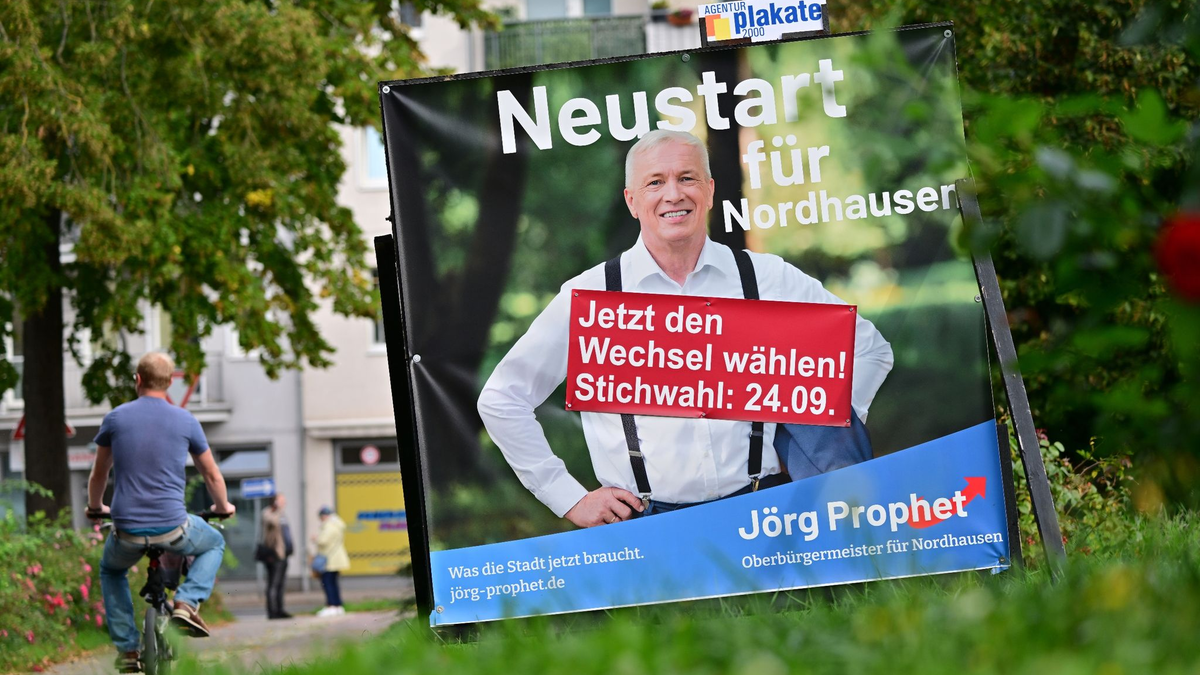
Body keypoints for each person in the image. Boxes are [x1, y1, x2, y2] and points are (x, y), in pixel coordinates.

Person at [477, 130, 894, 528]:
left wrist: (814, 432)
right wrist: (566, 496)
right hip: (649, 527)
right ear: (632, 200)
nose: (673, 194)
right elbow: (502, 399)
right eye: (655, 182)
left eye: (687, 178)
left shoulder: (765, 277)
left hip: (768, 512)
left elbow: (869, 350)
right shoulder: (591, 295)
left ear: (710, 190)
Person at [87, 352, 236, 674]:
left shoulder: (115, 418)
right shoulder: (185, 420)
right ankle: (186, 603)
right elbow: (211, 474)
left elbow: (99, 473)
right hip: (173, 527)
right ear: (170, 382)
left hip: (126, 530)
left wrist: (96, 507)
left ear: (137, 379)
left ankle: (128, 651)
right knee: (213, 543)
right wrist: (223, 507)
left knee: (112, 571)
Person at [259, 493, 294, 619]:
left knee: (281, 583)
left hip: (283, 554)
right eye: (281, 501)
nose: (284, 503)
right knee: (273, 583)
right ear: (274, 502)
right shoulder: (268, 513)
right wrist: (277, 509)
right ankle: (272, 611)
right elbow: (272, 522)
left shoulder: (282, 514)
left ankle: (280, 610)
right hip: (273, 554)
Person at [313, 505, 350, 617]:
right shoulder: (337, 525)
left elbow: (323, 541)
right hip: (335, 558)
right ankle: (337, 605)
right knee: (333, 582)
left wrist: (315, 539)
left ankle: (332, 605)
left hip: (330, 560)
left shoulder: (330, 526)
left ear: (324, 516)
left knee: (328, 583)